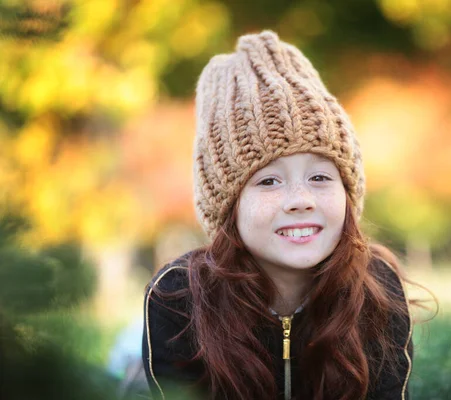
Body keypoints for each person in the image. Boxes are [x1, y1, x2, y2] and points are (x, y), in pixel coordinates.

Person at [142, 30, 431, 400]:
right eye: (269, 181)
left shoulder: (376, 290)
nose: (301, 200)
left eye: (320, 176)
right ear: (228, 207)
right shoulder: (178, 298)